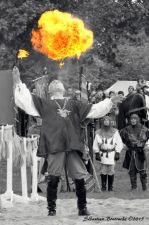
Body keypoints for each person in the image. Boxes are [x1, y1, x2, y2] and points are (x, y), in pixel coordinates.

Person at [12, 66, 122, 216]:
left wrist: (110, 101)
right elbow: (26, 102)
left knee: (78, 176)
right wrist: (18, 82)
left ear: (63, 89)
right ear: (49, 91)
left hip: (72, 144)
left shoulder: (75, 104)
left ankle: (82, 208)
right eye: (53, 82)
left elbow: (95, 110)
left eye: (58, 82)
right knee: (54, 177)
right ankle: (51, 210)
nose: (56, 81)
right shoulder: (44, 104)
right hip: (55, 145)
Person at [120, 114, 149, 191]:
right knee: (132, 171)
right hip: (131, 152)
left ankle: (144, 188)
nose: (133, 120)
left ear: (137, 119)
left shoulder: (144, 129)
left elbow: (147, 140)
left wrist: (147, 145)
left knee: (142, 171)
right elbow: (120, 139)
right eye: (132, 119)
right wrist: (123, 145)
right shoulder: (126, 130)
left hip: (140, 153)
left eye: (134, 119)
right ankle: (134, 187)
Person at [93, 116, 123, 191]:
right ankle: (103, 187)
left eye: (107, 120)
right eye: (104, 120)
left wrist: (117, 152)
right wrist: (96, 153)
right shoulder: (98, 132)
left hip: (111, 154)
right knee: (103, 170)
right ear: (102, 122)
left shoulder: (115, 132)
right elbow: (95, 143)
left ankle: (110, 187)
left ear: (110, 122)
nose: (106, 122)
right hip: (103, 154)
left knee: (111, 170)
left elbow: (119, 143)